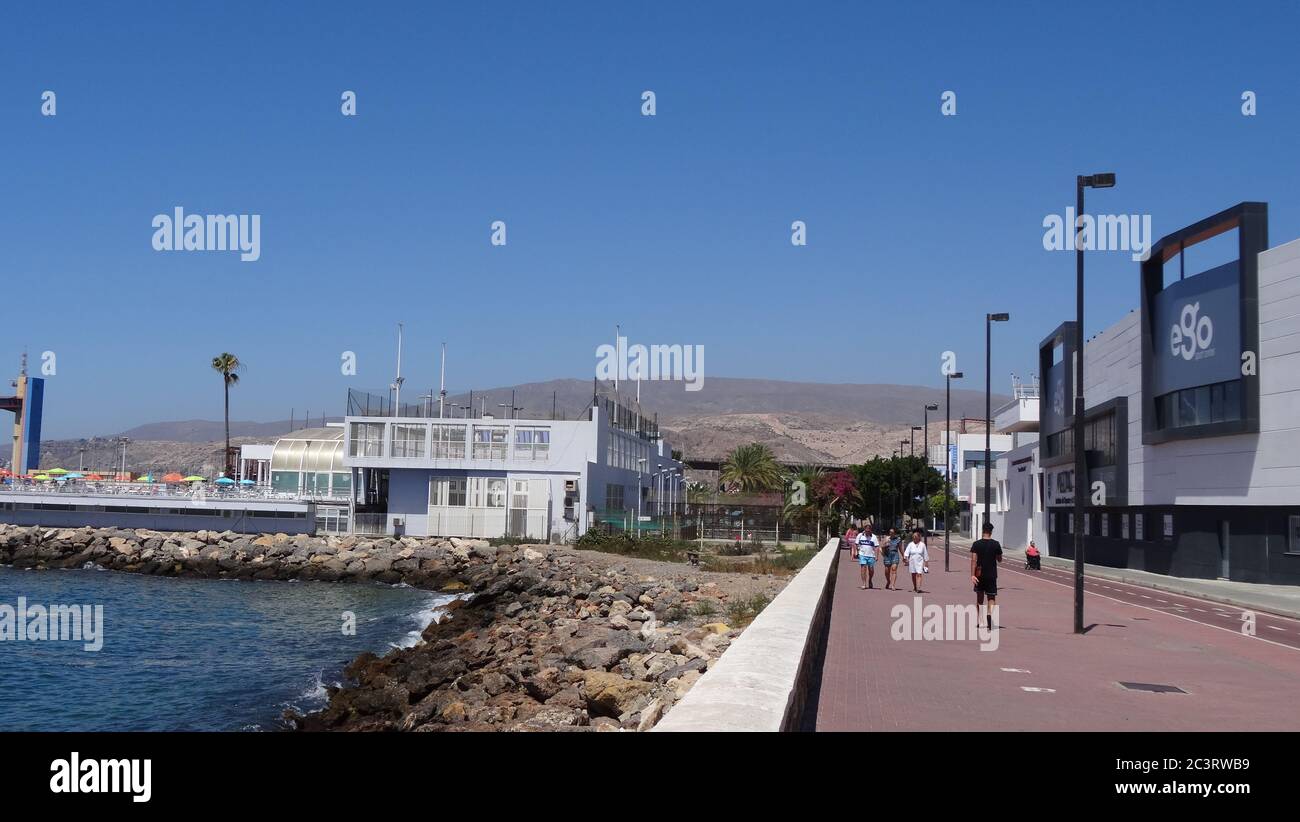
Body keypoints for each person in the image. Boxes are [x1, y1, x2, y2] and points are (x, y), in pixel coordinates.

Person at [970, 522, 1004, 631]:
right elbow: (999, 559)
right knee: (991, 597)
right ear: (991, 531)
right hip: (991, 574)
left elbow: (973, 560)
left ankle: (980, 620)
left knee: (979, 598)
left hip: (979, 575)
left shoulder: (976, 544)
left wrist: (972, 575)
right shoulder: (996, 544)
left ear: (982, 530)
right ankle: (989, 614)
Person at [903, 529, 929, 593]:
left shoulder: (922, 545)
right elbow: (906, 552)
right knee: (913, 574)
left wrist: (926, 563)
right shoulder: (910, 544)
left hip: (919, 562)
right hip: (912, 562)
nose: (914, 537)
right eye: (913, 536)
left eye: (915, 536)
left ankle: (918, 588)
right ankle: (915, 586)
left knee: (919, 574)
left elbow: (925, 554)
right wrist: (905, 558)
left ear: (919, 537)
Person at [856, 524, 879, 589]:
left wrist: (877, 556)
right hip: (862, 554)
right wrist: (856, 551)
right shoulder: (860, 535)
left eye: (869, 531)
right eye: (866, 531)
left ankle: (870, 579)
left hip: (871, 555)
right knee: (863, 568)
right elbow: (856, 544)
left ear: (871, 530)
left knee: (871, 570)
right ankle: (864, 583)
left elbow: (877, 547)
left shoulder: (874, 537)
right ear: (865, 530)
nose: (868, 532)